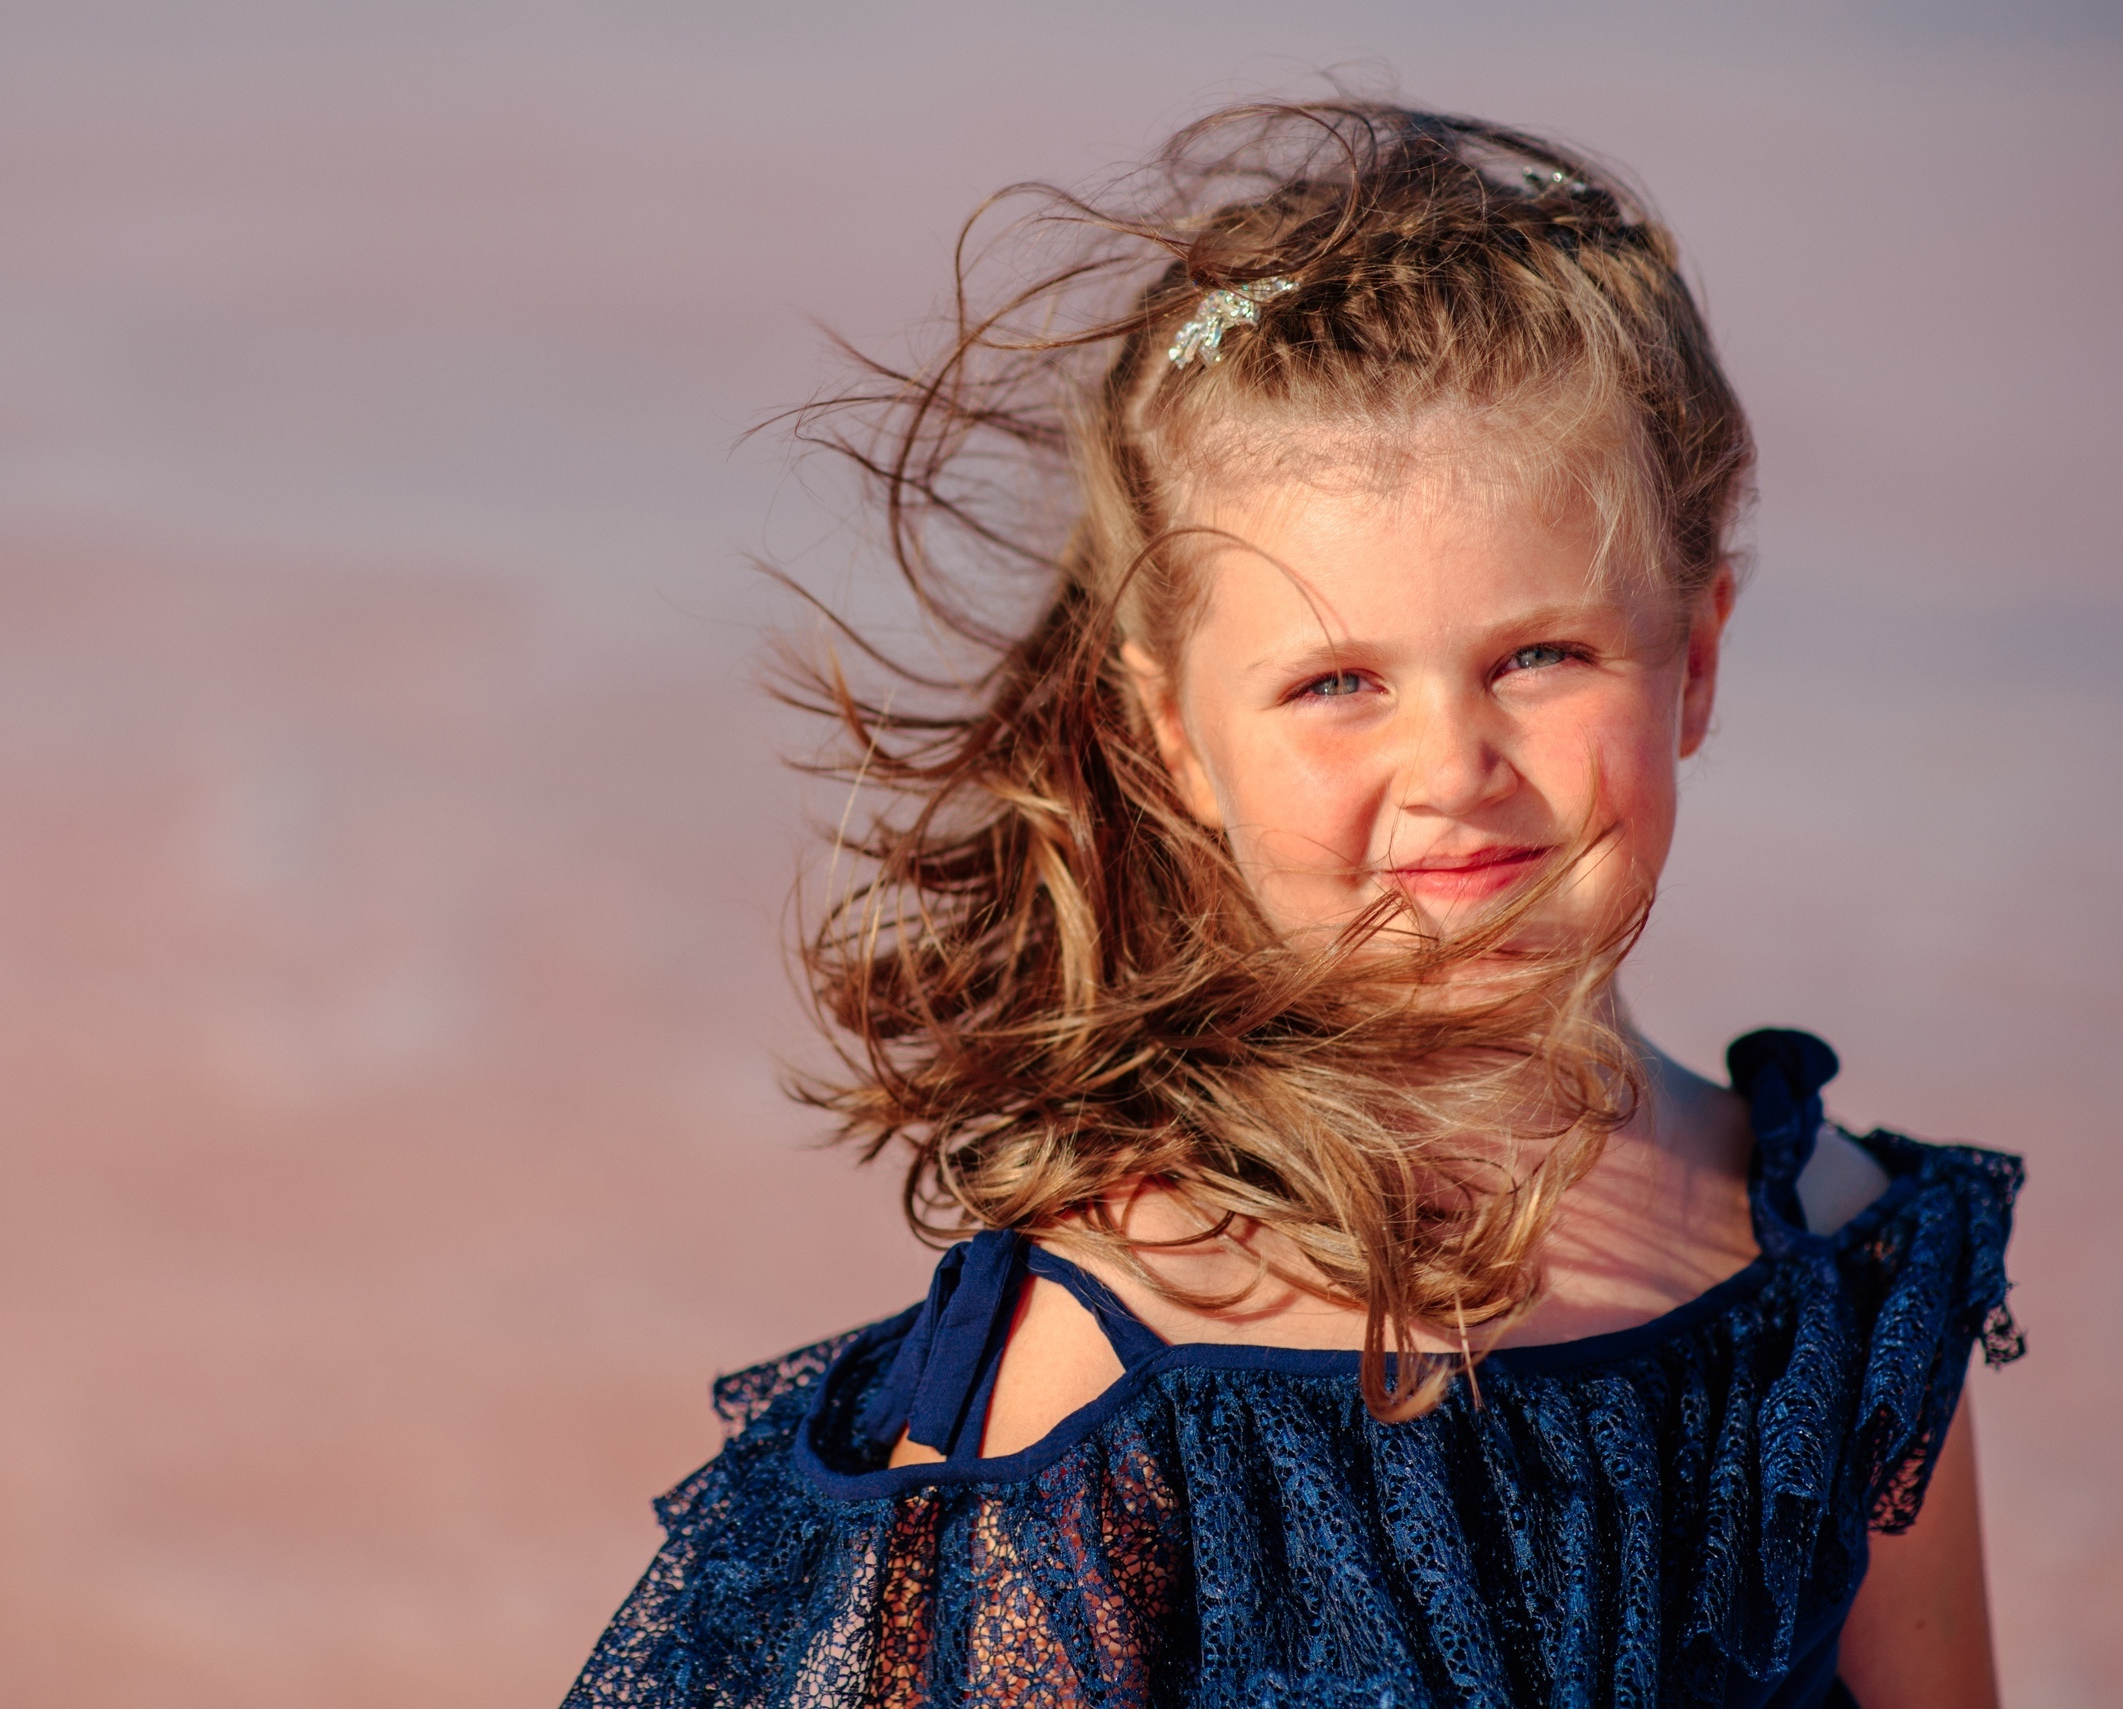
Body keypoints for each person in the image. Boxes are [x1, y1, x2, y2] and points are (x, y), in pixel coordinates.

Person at [564, 102, 2022, 1709]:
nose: (1453, 763)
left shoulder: (1846, 1256)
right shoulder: (1105, 1362)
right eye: (1337, 682)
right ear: (1174, 736)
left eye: (1538, 657)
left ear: (1699, 657)